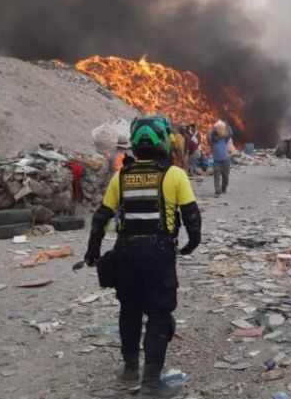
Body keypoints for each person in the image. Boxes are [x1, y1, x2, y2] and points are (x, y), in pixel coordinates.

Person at [84, 116, 202, 398]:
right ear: (164, 142)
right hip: (158, 253)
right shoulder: (175, 175)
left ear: (135, 144)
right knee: (159, 315)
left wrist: (93, 251)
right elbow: (192, 217)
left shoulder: (121, 176)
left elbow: (101, 217)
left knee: (129, 310)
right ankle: (151, 383)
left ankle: (129, 371)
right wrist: (190, 244)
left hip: (125, 252)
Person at [207, 120, 232, 197]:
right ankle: (217, 191)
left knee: (225, 177)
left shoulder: (223, 139)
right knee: (216, 177)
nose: (216, 137)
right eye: (215, 136)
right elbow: (208, 136)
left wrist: (227, 126)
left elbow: (230, 134)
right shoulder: (211, 142)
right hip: (217, 162)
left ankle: (223, 188)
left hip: (226, 161)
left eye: (217, 135)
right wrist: (213, 129)